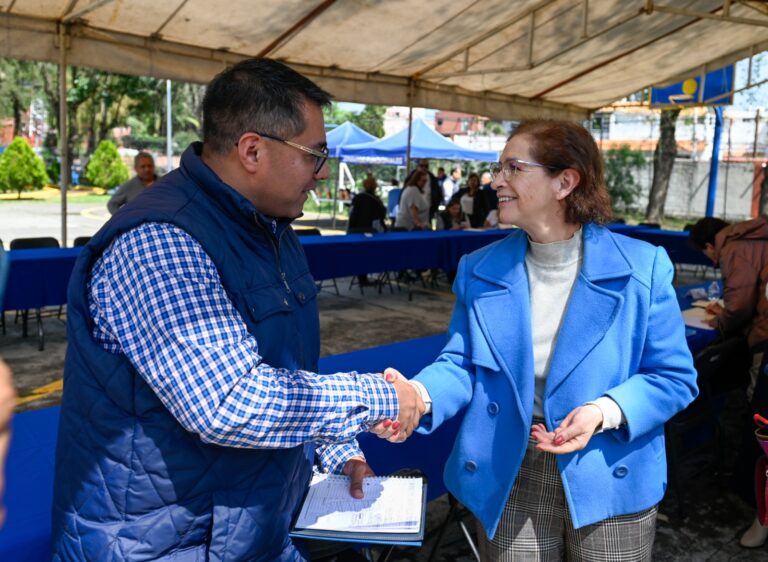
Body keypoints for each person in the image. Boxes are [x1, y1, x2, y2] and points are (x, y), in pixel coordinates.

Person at [51, 58, 421, 561]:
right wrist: (379, 396)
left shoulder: (269, 229)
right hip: (164, 541)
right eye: (315, 154)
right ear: (252, 150)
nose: (324, 172)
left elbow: (285, 372)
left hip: (251, 524)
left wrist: (337, 450)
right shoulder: (160, 241)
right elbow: (229, 401)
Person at [375, 119, 698, 560]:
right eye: (497, 168)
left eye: (512, 168)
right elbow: (461, 364)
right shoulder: (480, 269)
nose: (496, 181)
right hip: (511, 466)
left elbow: (672, 377)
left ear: (565, 182)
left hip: (607, 468)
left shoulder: (643, 269)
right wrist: (417, 394)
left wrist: (603, 411)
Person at [689, 215, 768, 548]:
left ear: (710, 246)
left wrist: (722, 319)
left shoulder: (735, 248)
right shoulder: (756, 235)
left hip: (764, 340)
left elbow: (739, 305)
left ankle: (756, 505)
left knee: (759, 419)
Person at [348, 174, 387, 287]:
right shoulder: (376, 200)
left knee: (359, 256)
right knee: (368, 255)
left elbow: (352, 215)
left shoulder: (358, 198)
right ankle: (365, 277)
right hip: (371, 233)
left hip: (356, 232)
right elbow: (381, 216)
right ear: (375, 187)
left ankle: (362, 278)